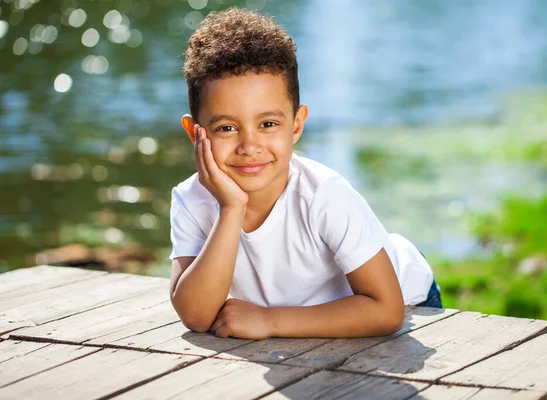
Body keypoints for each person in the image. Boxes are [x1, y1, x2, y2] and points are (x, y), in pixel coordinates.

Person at [169, 8, 441, 340]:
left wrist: (269, 322)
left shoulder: (324, 195)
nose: (249, 145)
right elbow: (196, 316)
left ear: (296, 124)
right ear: (194, 131)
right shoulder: (190, 199)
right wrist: (231, 208)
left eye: (268, 124)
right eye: (227, 127)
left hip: (402, 300)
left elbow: (386, 310)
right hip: (296, 312)